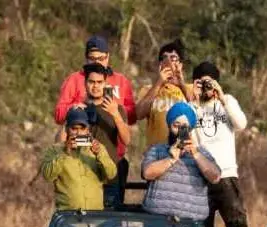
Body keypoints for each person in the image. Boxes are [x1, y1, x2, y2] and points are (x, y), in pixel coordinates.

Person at [189, 60, 264, 227]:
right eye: (202, 82)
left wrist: (221, 96)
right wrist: (193, 100)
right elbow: (189, 138)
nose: (207, 86)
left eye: (210, 81)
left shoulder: (226, 100)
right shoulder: (192, 107)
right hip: (201, 181)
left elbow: (241, 124)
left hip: (227, 178)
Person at [53, 35, 136, 206]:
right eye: (91, 82)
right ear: (85, 83)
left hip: (110, 172)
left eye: (99, 82)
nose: (96, 86)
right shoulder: (78, 105)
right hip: (85, 174)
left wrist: (115, 114)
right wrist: (72, 113)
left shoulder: (116, 106)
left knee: (110, 224)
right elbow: (59, 139)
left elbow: (127, 139)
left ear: (106, 83)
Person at [140, 102, 221, 222]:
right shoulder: (157, 149)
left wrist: (196, 154)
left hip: (190, 223)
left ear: (191, 129)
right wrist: (171, 159)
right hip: (156, 220)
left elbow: (215, 177)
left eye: (184, 127)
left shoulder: (201, 153)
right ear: (169, 126)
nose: (180, 131)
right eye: (176, 125)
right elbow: (147, 173)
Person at [40, 107, 117, 212]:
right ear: (67, 129)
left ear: (88, 129)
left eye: (82, 128)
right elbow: (47, 176)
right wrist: (65, 153)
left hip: (95, 215)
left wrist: (99, 154)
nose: (78, 133)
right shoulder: (55, 150)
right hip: (69, 216)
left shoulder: (98, 148)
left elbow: (111, 174)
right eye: (74, 128)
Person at [136, 39, 195, 147]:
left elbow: (200, 113)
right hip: (156, 153)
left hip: (182, 150)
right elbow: (139, 114)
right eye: (164, 58)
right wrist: (159, 83)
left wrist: (181, 84)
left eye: (173, 58)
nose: (168, 61)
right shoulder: (148, 89)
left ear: (180, 65)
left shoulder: (190, 88)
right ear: (160, 65)